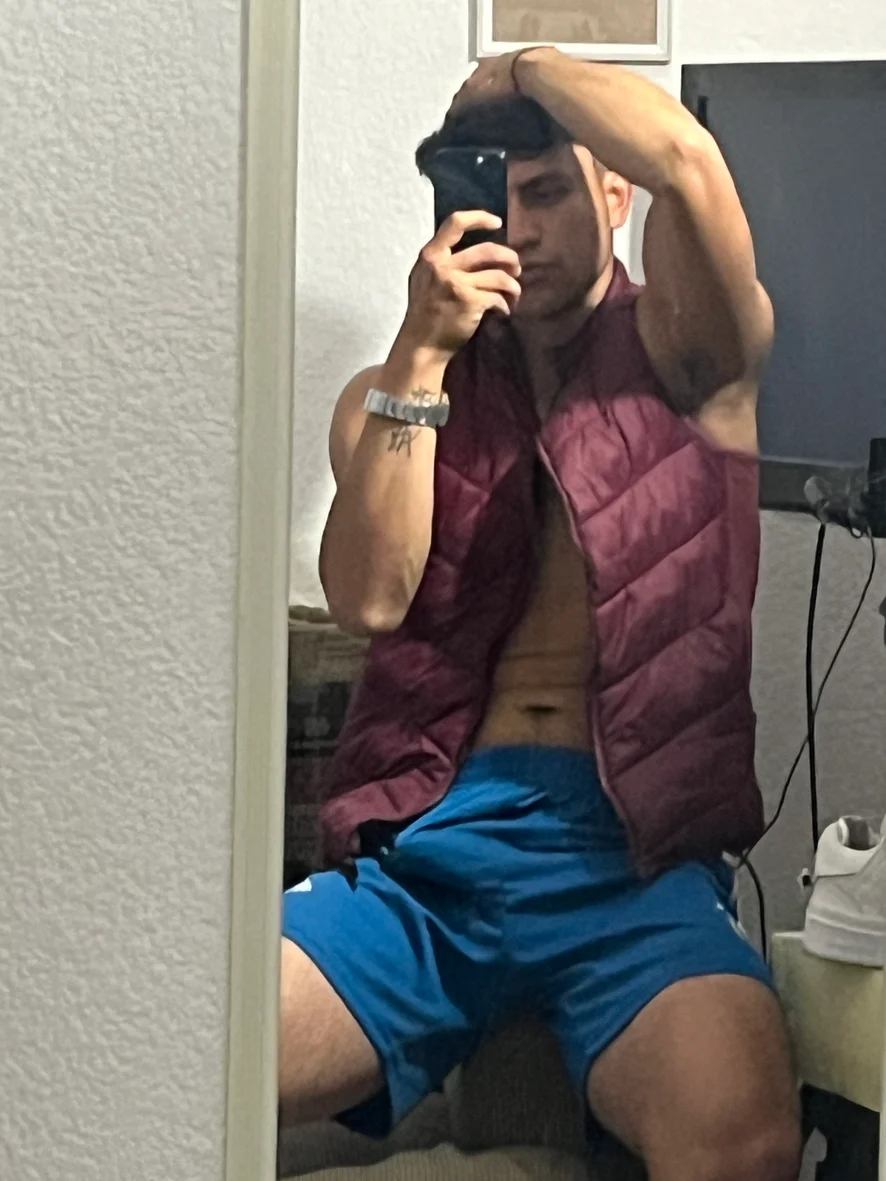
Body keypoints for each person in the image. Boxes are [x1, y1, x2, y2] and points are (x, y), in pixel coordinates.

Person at [280, 49, 802, 1181]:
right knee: (181, 1043)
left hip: (633, 857)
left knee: (745, 1139)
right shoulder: (401, 386)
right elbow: (369, 594)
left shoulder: (694, 354)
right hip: (431, 853)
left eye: (550, 190)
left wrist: (519, 67)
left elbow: (686, 157)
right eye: (495, 195)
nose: (520, 228)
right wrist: (422, 353)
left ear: (612, 194)